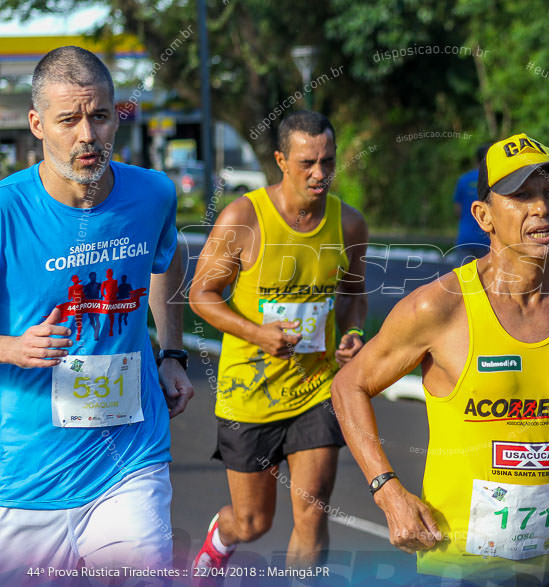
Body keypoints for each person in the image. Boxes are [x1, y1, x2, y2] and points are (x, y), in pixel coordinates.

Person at [331, 133, 549, 583]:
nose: (541, 209)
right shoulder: (439, 307)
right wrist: (388, 491)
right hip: (460, 562)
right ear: (483, 215)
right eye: (521, 195)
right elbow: (349, 384)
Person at [0, 45, 193, 576]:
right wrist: (11, 348)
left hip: (130, 457)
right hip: (25, 475)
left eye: (100, 116)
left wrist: (172, 351)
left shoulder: (152, 193)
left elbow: (165, 254)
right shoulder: (6, 211)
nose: (87, 135)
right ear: (37, 124)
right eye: (69, 120)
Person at [189, 110, 368, 570]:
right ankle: (217, 545)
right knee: (253, 522)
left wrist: (352, 333)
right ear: (281, 161)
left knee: (312, 511)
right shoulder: (243, 218)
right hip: (249, 393)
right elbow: (200, 295)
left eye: (327, 161)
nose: (320, 173)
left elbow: (353, 294)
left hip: (314, 389)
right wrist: (257, 334)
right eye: (307, 162)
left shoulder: (348, 224)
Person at [452, 143, 492, 263]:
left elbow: (457, 210)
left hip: (465, 238)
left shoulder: (463, 180)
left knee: (464, 279)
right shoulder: (493, 180)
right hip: (488, 240)